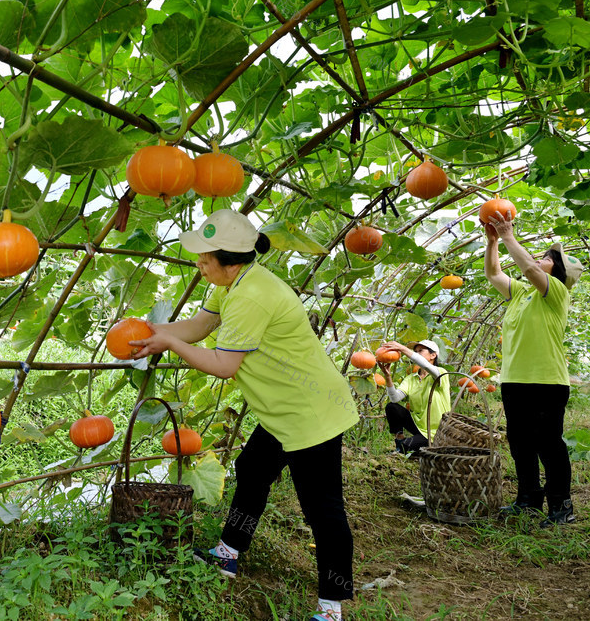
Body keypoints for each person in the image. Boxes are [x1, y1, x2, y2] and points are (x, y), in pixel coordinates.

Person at [129, 209, 358, 621]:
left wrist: (167, 343)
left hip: (311, 413)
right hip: (282, 409)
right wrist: (148, 333)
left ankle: (331, 606)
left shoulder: (252, 296)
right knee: (252, 469)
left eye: (204, 259)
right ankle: (229, 553)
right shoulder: (232, 283)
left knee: (322, 509)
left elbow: (222, 364)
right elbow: (199, 327)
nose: (198, 265)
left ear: (230, 261)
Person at [484, 210, 583, 526]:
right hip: (514, 380)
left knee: (549, 444)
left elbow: (526, 266)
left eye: (548, 258)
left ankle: (561, 505)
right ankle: (528, 499)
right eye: (541, 256)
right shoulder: (521, 293)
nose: (540, 259)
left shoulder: (555, 293)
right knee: (521, 442)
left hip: (547, 382)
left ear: (559, 272)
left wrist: (509, 235)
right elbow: (494, 274)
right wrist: (492, 242)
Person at [376, 340, 451, 455]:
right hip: (418, 426)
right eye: (415, 351)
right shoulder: (411, 378)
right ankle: (400, 440)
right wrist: (387, 376)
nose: (416, 353)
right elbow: (395, 398)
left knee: (407, 446)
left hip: (436, 432)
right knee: (392, 407)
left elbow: (425, 365)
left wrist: (402, 348)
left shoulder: (440, 374)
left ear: (433, 355)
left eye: (420, 351)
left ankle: (408, 447)